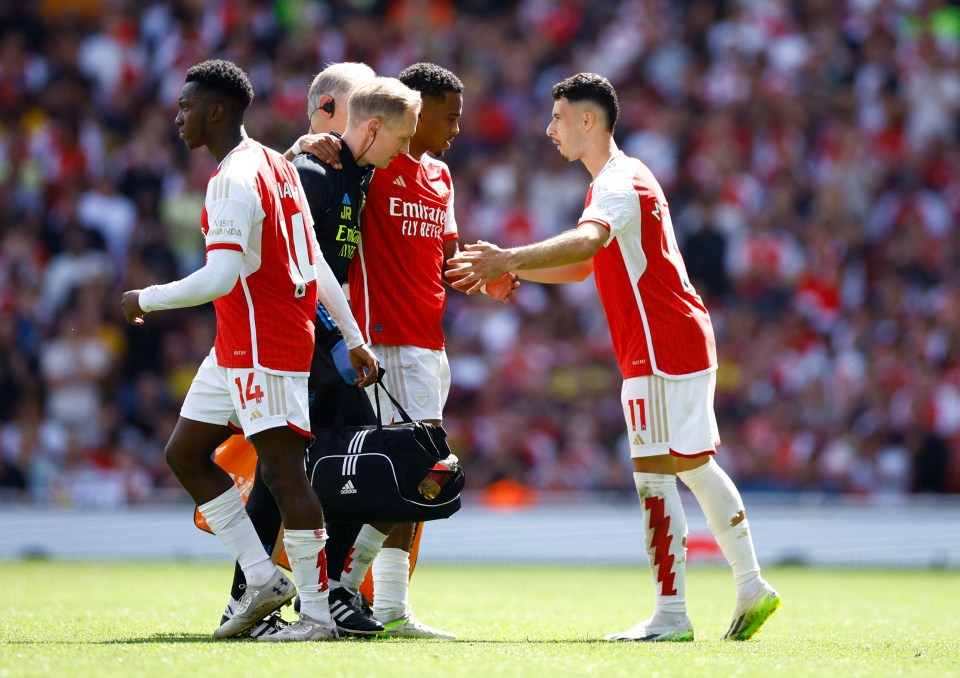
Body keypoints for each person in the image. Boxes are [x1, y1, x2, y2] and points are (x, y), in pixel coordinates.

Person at [446, 72, 781, 642]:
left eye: (557, 117)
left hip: (661, 344)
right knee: (688, 468)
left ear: (587, 119)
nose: (549, 129)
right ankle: (742, 589)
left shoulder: (619, 182)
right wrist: (510, 270)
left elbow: (586, 244)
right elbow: (583, 264)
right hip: (665, 339)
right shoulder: (617, 180)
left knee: (663, 475)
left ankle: (679, 612)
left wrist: (505, 258)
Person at [120, 59, 380, 643]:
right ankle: (262, 579)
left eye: (187, 107)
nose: (178, 117)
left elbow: (220, 276)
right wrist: (355, 337)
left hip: (267, 347)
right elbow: (313, 260)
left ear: (216, 111)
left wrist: (146, 298)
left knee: (287, 478)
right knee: (185, 453)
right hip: (236, 345)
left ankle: (316, 617)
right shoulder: (276, 164)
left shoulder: (234, 178)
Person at [214, 64, 423, 639]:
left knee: (334, 467)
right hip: (296, 343)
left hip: (322, 342)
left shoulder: (351, 172)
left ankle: (320, 594)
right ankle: (261, 597)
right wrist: (340, 341)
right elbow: (296, 263)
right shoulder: (313, 169)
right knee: (286, 472)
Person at [336, 62, 518, 640]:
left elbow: (445, 258)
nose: (457, 127)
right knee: (413, 474)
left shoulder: (440, 177)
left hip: (429, 343)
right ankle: (344, 588)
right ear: (413, 113)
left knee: (417, 478)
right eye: (449, 115)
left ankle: (388, 606)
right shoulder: (372, 167)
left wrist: (484, 277)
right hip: (384, 340)